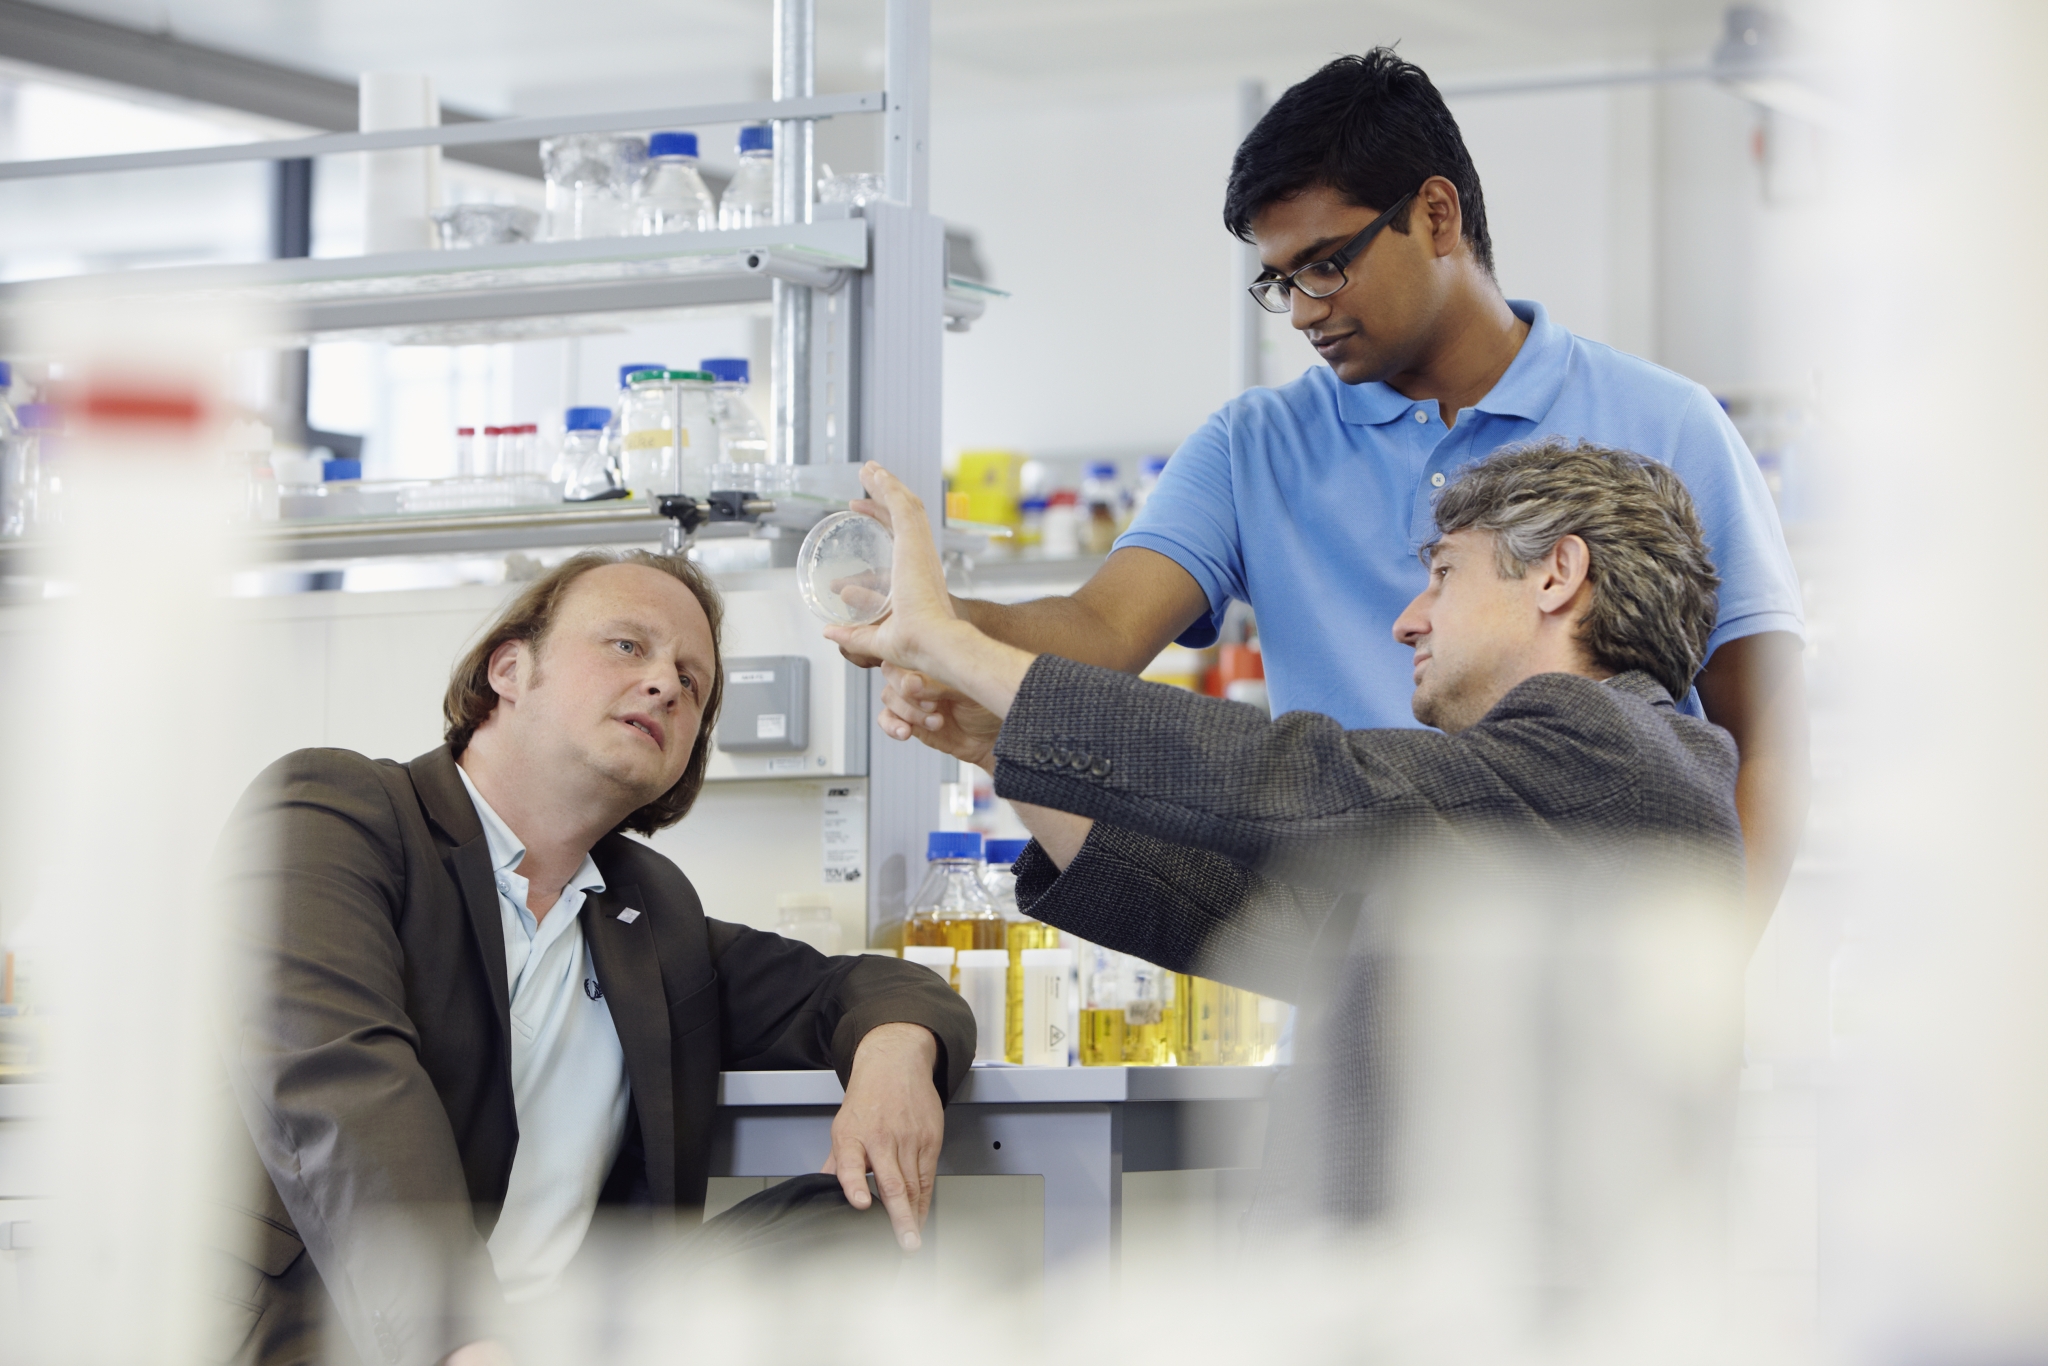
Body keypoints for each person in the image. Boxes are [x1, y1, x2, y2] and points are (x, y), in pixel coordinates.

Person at [870, 48, 1805, 939]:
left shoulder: (1667, 423)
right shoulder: (1253, 446)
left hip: (1592, 950)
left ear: (1436, 217)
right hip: (1363, 944)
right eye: (1281, 282)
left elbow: (1764, 739)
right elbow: (1102, 634)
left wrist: (1712, 982)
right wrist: (934, 619)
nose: (1307, 308)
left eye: (1326, 263)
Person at [826, 448, 1745, 1226]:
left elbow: (1297, 779)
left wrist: (953, 646)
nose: (1407, 619)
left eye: (1444, 575)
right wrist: (1004, 748)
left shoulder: (1615, 746)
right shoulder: (1542, 797)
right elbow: (1258, 922)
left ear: (1558, 574)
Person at [212, 550, 976, 1366]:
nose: (667, 684)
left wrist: (897, 1049)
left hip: (577, 1339)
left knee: (867, 1219)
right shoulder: (339, 813)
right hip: (347, 1339)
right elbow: (343, 1084)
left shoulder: (650, 913)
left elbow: (856, 985)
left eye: (693, 682)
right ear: (509, 667)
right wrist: (462, 1343)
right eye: (626, 646)